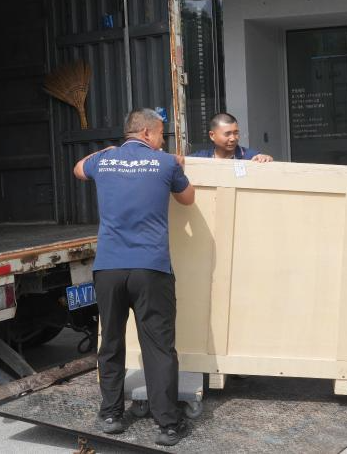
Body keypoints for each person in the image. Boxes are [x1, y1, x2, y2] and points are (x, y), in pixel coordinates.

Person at [73, 108, 196, 447]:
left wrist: (107, 151)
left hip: (109, 268)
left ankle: (111, 415)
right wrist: (176, 166)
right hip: (150, 268)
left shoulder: (104, 161)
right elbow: (188, 199)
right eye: (160, 134)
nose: (162, 141)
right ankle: (168, 425)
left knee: (111, 341)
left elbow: (78, 168)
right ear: (146, 133)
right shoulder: (165, 163)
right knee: (158, 346)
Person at [189, 112, 273, 162]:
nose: (233, 138)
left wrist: (265, 159)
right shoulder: (201, 157)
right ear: (212, 135)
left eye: (236, 133)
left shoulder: (250, 157)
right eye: (227, 134)